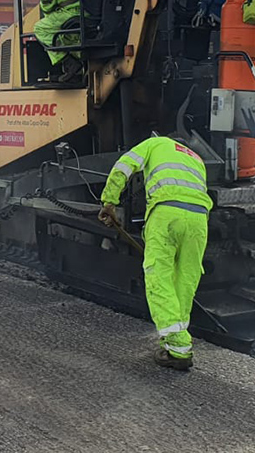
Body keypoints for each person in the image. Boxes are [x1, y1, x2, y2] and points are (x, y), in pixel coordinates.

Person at [98, 134, 212, 370]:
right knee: (185, 281)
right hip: (199, 220)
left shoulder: (155, 143)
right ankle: (174, 344)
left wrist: (109, 201)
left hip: (166, 214)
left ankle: (178, 347)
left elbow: (124, 166)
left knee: (158, 277)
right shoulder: (197, 158)